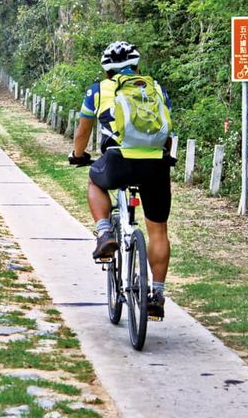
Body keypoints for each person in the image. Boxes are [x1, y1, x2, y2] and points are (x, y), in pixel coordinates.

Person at [68, 41, 174, 320]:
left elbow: (83, 130)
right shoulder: (155, 89)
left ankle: (104, 232)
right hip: (156, 164)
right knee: (158, 231)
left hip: (118, 161)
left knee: (95, 181)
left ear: (106, 70)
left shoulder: (98, 89)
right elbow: (168, 131)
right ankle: (158, 296)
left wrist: (78, 155)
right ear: (136, 66)